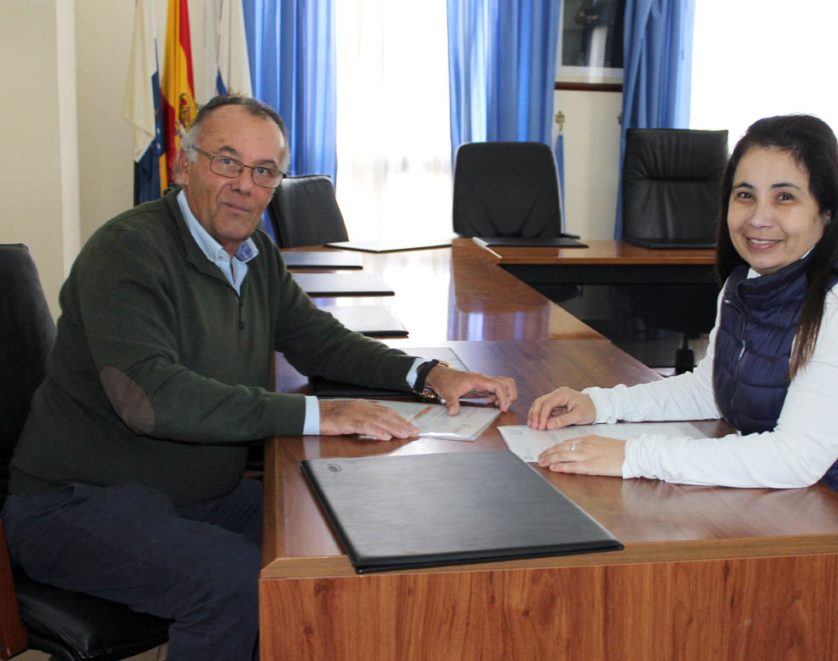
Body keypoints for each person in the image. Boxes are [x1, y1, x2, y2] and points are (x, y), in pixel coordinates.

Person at [1, 95, 516, 660]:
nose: (245, 185)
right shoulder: (127, 251)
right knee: (234, 582)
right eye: (227, 161)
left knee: (334, 530)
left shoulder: (254, 254)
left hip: (193, 494)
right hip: (71, 505)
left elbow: (321, 342)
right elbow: (150, 399)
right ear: (185, 165)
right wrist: (321, 413)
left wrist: (430, 373)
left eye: (264, 171)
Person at [528, 115, 838, 644]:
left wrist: (633, 455)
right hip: (810, 528)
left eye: (785, 197)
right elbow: (710, 388)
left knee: (692, 627)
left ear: (827, 210)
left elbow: (795, 458)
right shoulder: (746, 283)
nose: (759, 217)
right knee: (654, 607)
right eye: (745, 196)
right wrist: (600, 405)